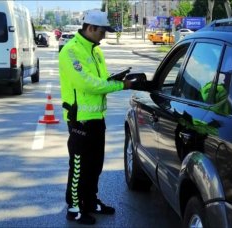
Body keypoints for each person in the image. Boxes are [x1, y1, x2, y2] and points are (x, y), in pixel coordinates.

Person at [58, 10, 133, 225]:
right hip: (80, 119)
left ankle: (90, 201)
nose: (104, 36)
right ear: (90, 28)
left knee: (95, 165)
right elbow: (87, 84)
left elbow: (100, 80)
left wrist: (115, 79)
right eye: (102, 31)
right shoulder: (70, 51)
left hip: (97, 117)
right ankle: (74, 207)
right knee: (79, 166)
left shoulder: (96, 51)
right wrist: (120, 85)